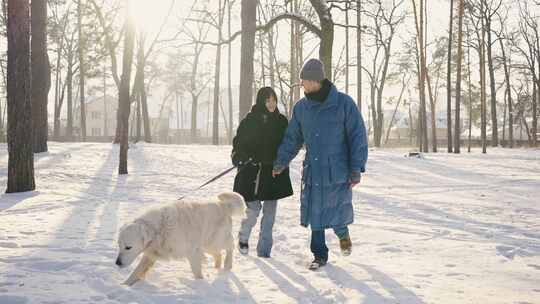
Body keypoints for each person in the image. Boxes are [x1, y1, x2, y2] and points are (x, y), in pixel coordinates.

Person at [272, 58, 368, 270]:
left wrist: (355, 168)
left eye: (304, 81)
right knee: (315, 213)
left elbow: (357, 137)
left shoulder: (343, 103)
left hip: (337, 169)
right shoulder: (301, 108)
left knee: (336, 211)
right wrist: (281, 161)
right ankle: (319, 255)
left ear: (315, 81)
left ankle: (343, 235)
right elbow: (292, 138)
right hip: (313, 170)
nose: (302, 85)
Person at [231, 87, 293, 258]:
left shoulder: (281, 121)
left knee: (270, 214)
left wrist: (281, 162)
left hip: (273, 172)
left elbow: (287, 145)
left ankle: (264, 252)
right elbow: (238, 143)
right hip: (253, 172)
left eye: (274, 100)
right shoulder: (250, 120)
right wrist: (241, 158)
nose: (271, 104)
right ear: (261, 101)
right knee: (253, 209)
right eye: (268, 100)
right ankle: (243, 237)